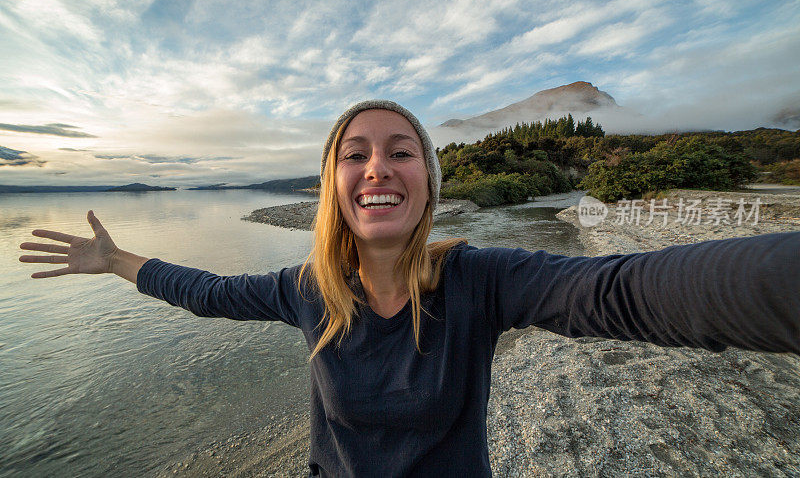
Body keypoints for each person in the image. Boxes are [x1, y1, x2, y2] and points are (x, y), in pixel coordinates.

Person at [19, 100, 800, 477]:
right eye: (354, 154)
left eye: (400, 152)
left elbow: (620, 291)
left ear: (428, 180)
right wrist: (120, 262)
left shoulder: (481, 279)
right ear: (333, 184)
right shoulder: (307, 289)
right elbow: (212, 290)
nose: (376, 167)